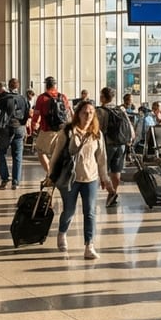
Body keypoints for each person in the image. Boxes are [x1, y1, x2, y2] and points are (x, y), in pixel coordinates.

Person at [48, 100, 110, 259]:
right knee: (69, 210)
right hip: (70, 178)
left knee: (90, 212)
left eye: (91, 112)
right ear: (78, 114)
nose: (88, 115)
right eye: (84, 112)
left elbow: (101, 158)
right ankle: (62, 233)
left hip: (90, 177)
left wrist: (104, 177)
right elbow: (56, 155)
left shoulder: (97, 134)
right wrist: (50, 176)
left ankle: (89, 245)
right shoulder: (67, 132)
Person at [95, 87, 134, 207]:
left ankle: (111, 192)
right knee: (116, 171)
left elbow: (97, 129)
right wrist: (130, 139)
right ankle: (113, 193)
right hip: (121, 144)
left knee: (102, 170)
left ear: (103, 97)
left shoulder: (100, 111)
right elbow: (129, 128)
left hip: (107, 144)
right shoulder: (120, 109)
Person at [0, 77, 31, 190]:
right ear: (18, 86)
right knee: (17, 155)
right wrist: (22, 124)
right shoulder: (23, 99)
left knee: (1, 152)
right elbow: (27, 114)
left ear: (9, 86)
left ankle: (4, 178)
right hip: (19, 127)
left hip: (5, 128)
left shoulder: (3, 98)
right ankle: (16, 182)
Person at [31, 76, 70, 171]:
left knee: (40, 151)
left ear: (46, 85)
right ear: (55, 85)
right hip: (62, 130)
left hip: (47, 130)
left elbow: (36, 114)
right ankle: (57, 174)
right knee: (57, 154)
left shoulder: (41, 98)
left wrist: (34, 126)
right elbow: (67, 112)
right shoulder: (63, 97)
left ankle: (50, 173)